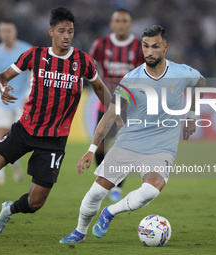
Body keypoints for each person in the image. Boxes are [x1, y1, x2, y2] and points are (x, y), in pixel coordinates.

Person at [0, 6, 114, 237]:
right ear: (51, 32)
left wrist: (117, 108)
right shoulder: (34, 55)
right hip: (25, 129)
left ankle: (8, 210)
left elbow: (99, 89)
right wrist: (1, 88)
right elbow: (2, 77)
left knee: (35, 203)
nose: (67, 35)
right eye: (62, 30)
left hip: (54, 141)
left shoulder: (82, 61)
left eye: (70, 31)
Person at [59, 25, 205, 243]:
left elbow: (200, 81)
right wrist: (91, 149)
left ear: (165, 47)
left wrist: (192, 114)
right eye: (145, 46)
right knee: (96, 193)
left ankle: (110, 213)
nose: (149, 52)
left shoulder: (181, 72)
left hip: (161, 147)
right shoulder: (132, 78)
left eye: (155, 46)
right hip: (129, 142)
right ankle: (79, 232)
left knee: (151, 191)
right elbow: (110, 115)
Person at [89, 9, 144, 202]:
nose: (121, 24)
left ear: (130, 24)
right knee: (101, 146)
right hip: (106, 105)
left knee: (123, 147)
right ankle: (103, 181)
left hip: (130, 106)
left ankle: (117, 188)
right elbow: (90, 69)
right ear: (112, 24)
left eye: (125, 21)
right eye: (117, 21)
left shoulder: (139, 47)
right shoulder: (100, 45)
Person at [0, 19, 33, 186]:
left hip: (23, 101)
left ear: (15, 32)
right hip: (3, 101)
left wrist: (29, 94)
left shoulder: (26, 50)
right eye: (3, 31)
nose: (6, 34)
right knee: (1, 135)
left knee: (17, 138)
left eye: (9, 31)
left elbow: (33, 74)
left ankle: (15, 165)